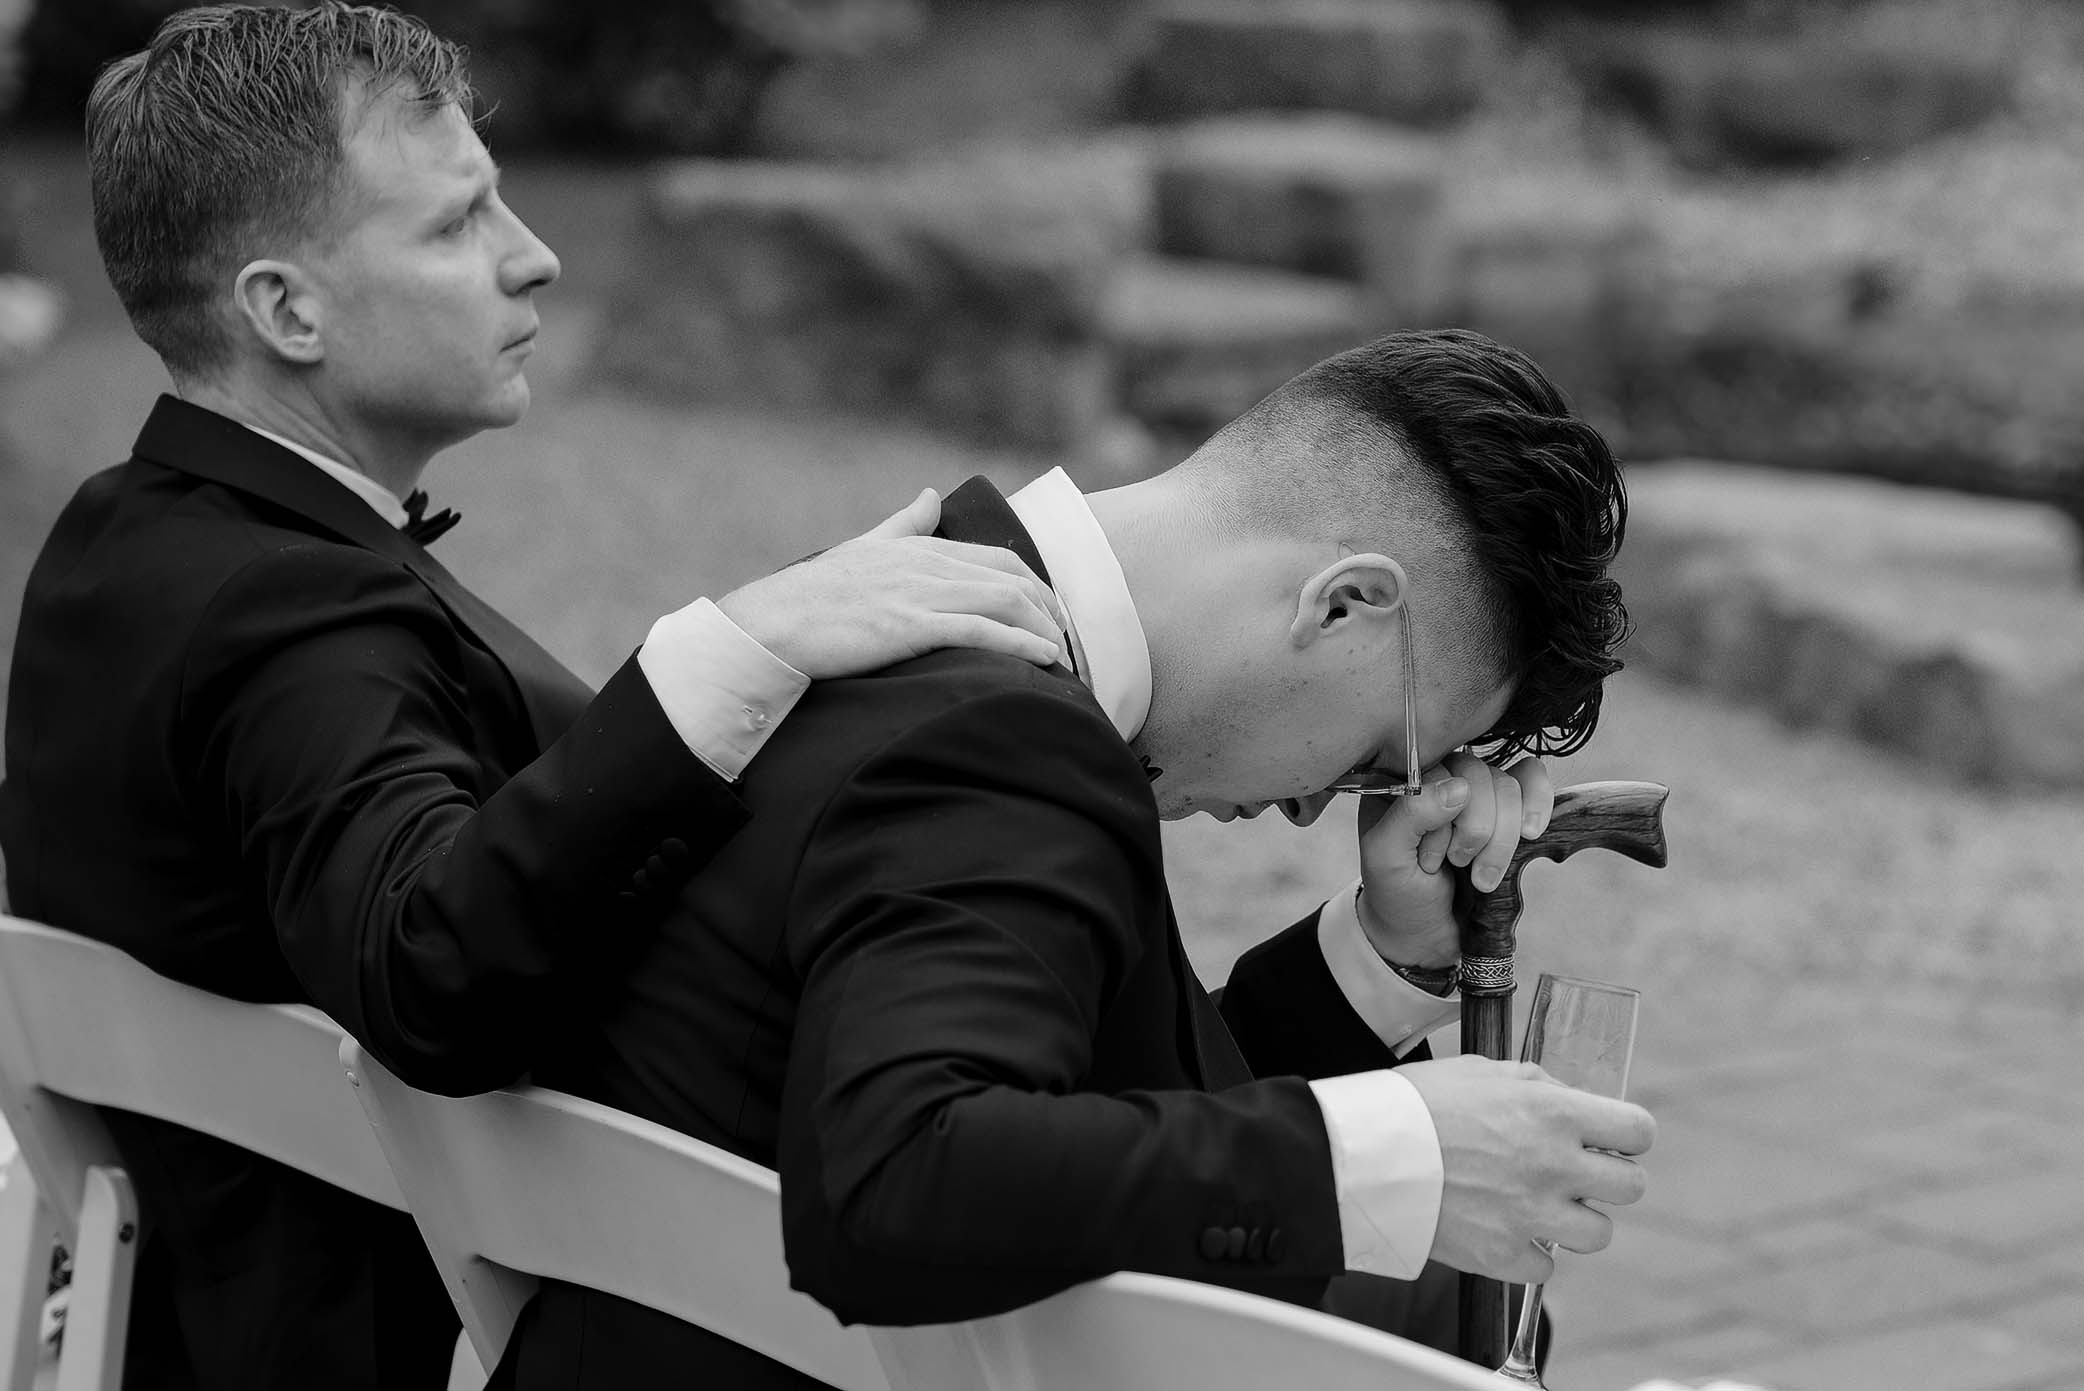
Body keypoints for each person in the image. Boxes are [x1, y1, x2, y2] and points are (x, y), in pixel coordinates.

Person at [0, 5, 1066, 1389]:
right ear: (286, 310)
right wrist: (734, 644)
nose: (535, 253)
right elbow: (429, 969)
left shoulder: (120, 532)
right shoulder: (288, 609)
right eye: (457, 224)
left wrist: (780, 654)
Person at [498, 327, 1658, 1388]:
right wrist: (1393, 1148)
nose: (1321, 807)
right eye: (1376, 757)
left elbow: (1084, 1101)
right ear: (1345, 602)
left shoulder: (911, 605)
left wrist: (1382, 955)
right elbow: (901, 1179)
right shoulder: (1002, 734)